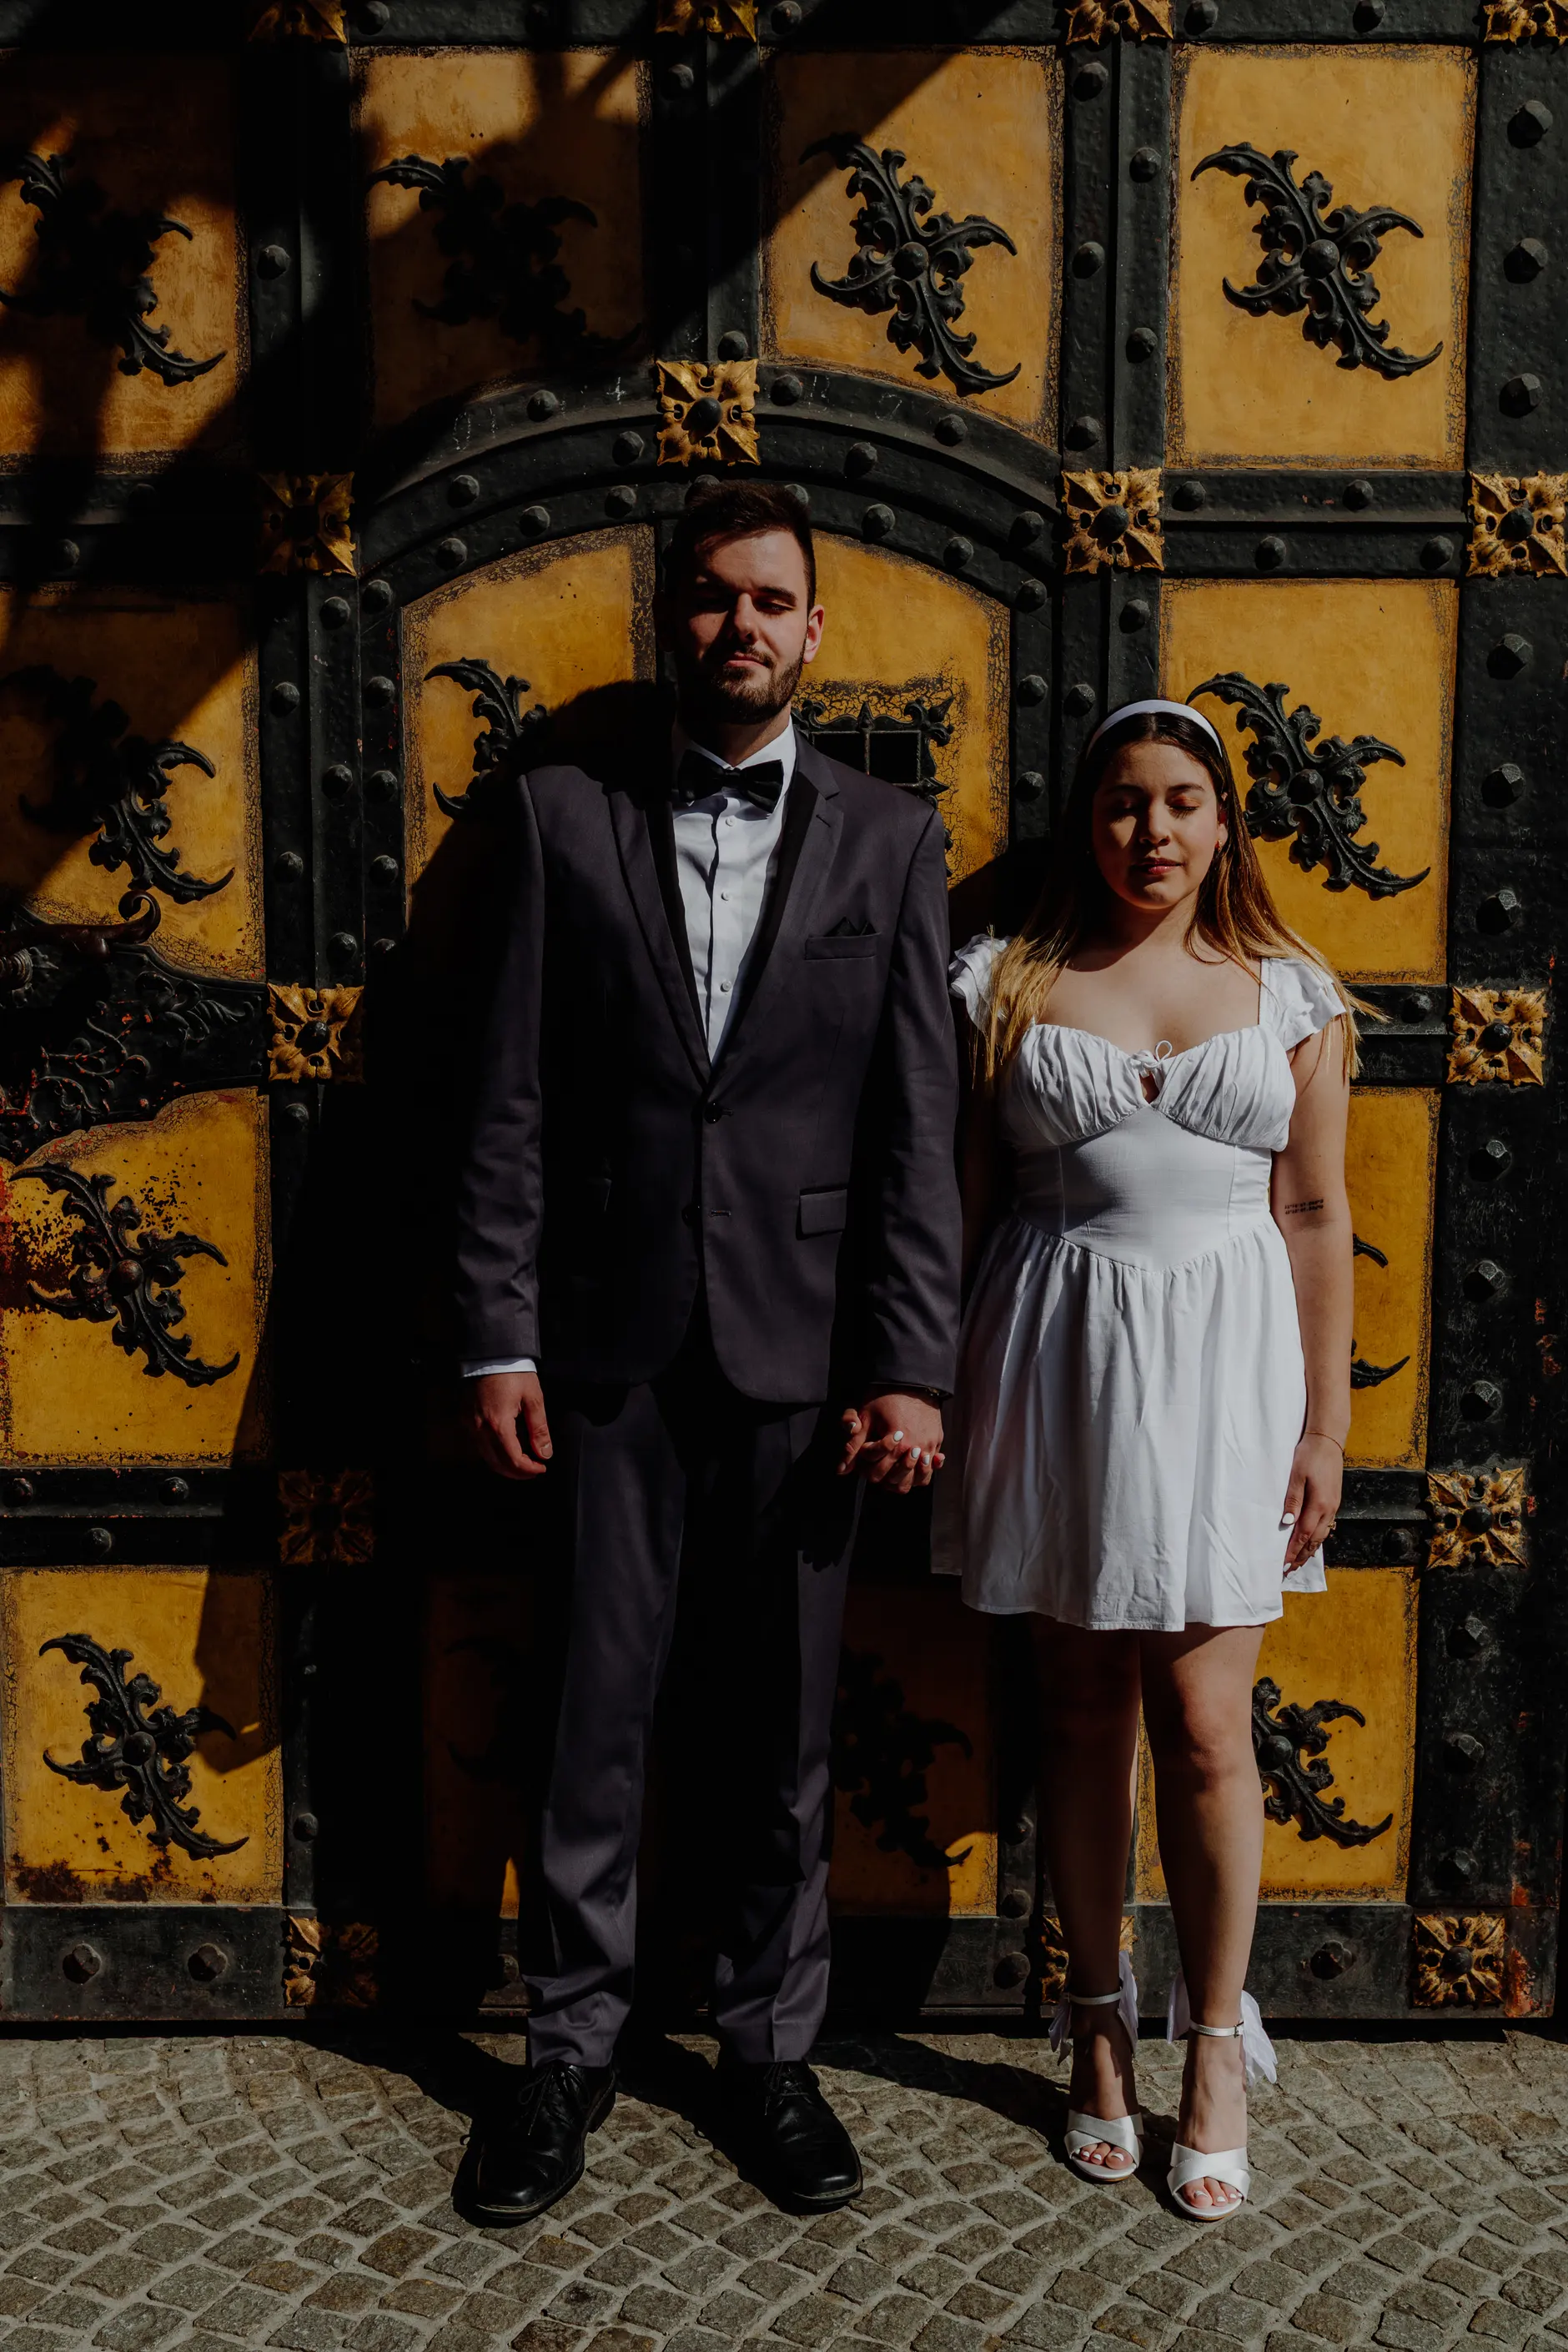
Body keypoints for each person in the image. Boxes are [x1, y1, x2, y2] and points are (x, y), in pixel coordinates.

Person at [453, 480, 962, 2222]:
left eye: (769, 599)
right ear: (670, 618)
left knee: (781, 1724)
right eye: (710, 596)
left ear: (815, 630)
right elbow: (506, 1101)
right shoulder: (556, 820)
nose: (739, 625)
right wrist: (496, 1337)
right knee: (590, 1711)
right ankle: (568, 2050)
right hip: (602, 1347)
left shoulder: (892, 842)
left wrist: (910, 1362)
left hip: (807, 1362)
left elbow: (915, 1124)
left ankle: (767, 2049)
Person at [937, 698, 1354, 2223]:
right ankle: (1098, 2022)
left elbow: (1316, 1215)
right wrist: (929, 1388)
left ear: (1226, 820)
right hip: (1057, 1357)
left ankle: (1218, 2041)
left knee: (1205, 1719)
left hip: (1232, 1369)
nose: (1153, 831)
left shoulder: (1290, 990)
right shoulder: (1006, 979)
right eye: (1124, 802)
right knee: (1079, 1708)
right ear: (1087, 819)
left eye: (1183, 801)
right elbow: (963, 1207)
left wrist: (1326, 1426)